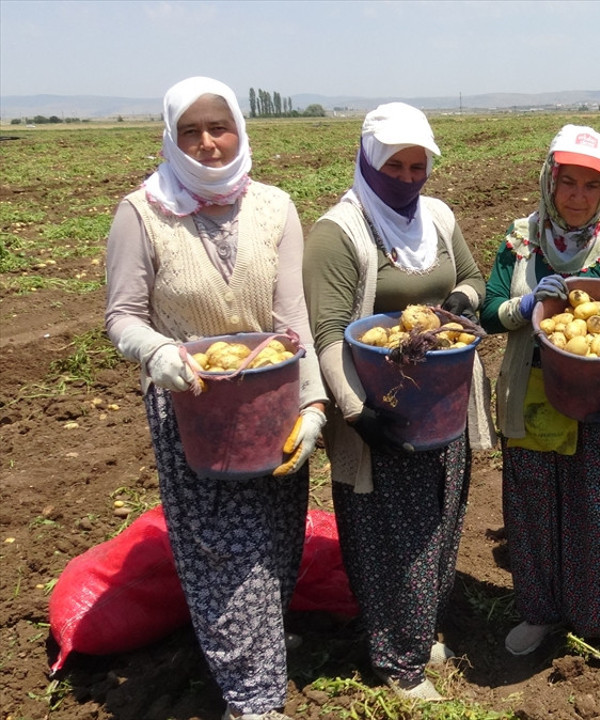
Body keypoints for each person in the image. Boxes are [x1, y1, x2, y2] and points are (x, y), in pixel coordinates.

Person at [104, 77, 326, 720]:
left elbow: (293, 319)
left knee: (278, 541)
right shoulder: (141, 212)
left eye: (217, 127)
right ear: (171, 138)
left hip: (273, 404)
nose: (206, 142)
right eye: (190, 131)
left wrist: (311, 406)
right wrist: (157, 352)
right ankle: (251, 701)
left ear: (240, 131)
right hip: (192, 409)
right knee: (223, 555)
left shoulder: (273, 207)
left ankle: (261, 648)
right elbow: (122, 316)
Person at [301, 103, 489, 701]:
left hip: (443, 405)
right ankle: (397, 661)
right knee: (388, 536)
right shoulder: (339, 233)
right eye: (395, 166)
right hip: (378, 410)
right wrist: (359, 415)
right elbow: (328, 334)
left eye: (418, 166)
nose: (408, 178)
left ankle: (421, 628)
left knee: (440, 519)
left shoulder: (436, 216)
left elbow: (474, 278)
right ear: (367, 160)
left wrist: (458, 302)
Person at [479, 124, 600, 685]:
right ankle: (543, 615)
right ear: (550, 179)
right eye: (568, 182)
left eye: (591, 186)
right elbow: (490, 310)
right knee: (535, 511)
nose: (577, 197)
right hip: (534, 398)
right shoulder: (520, 241)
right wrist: (522, 305)